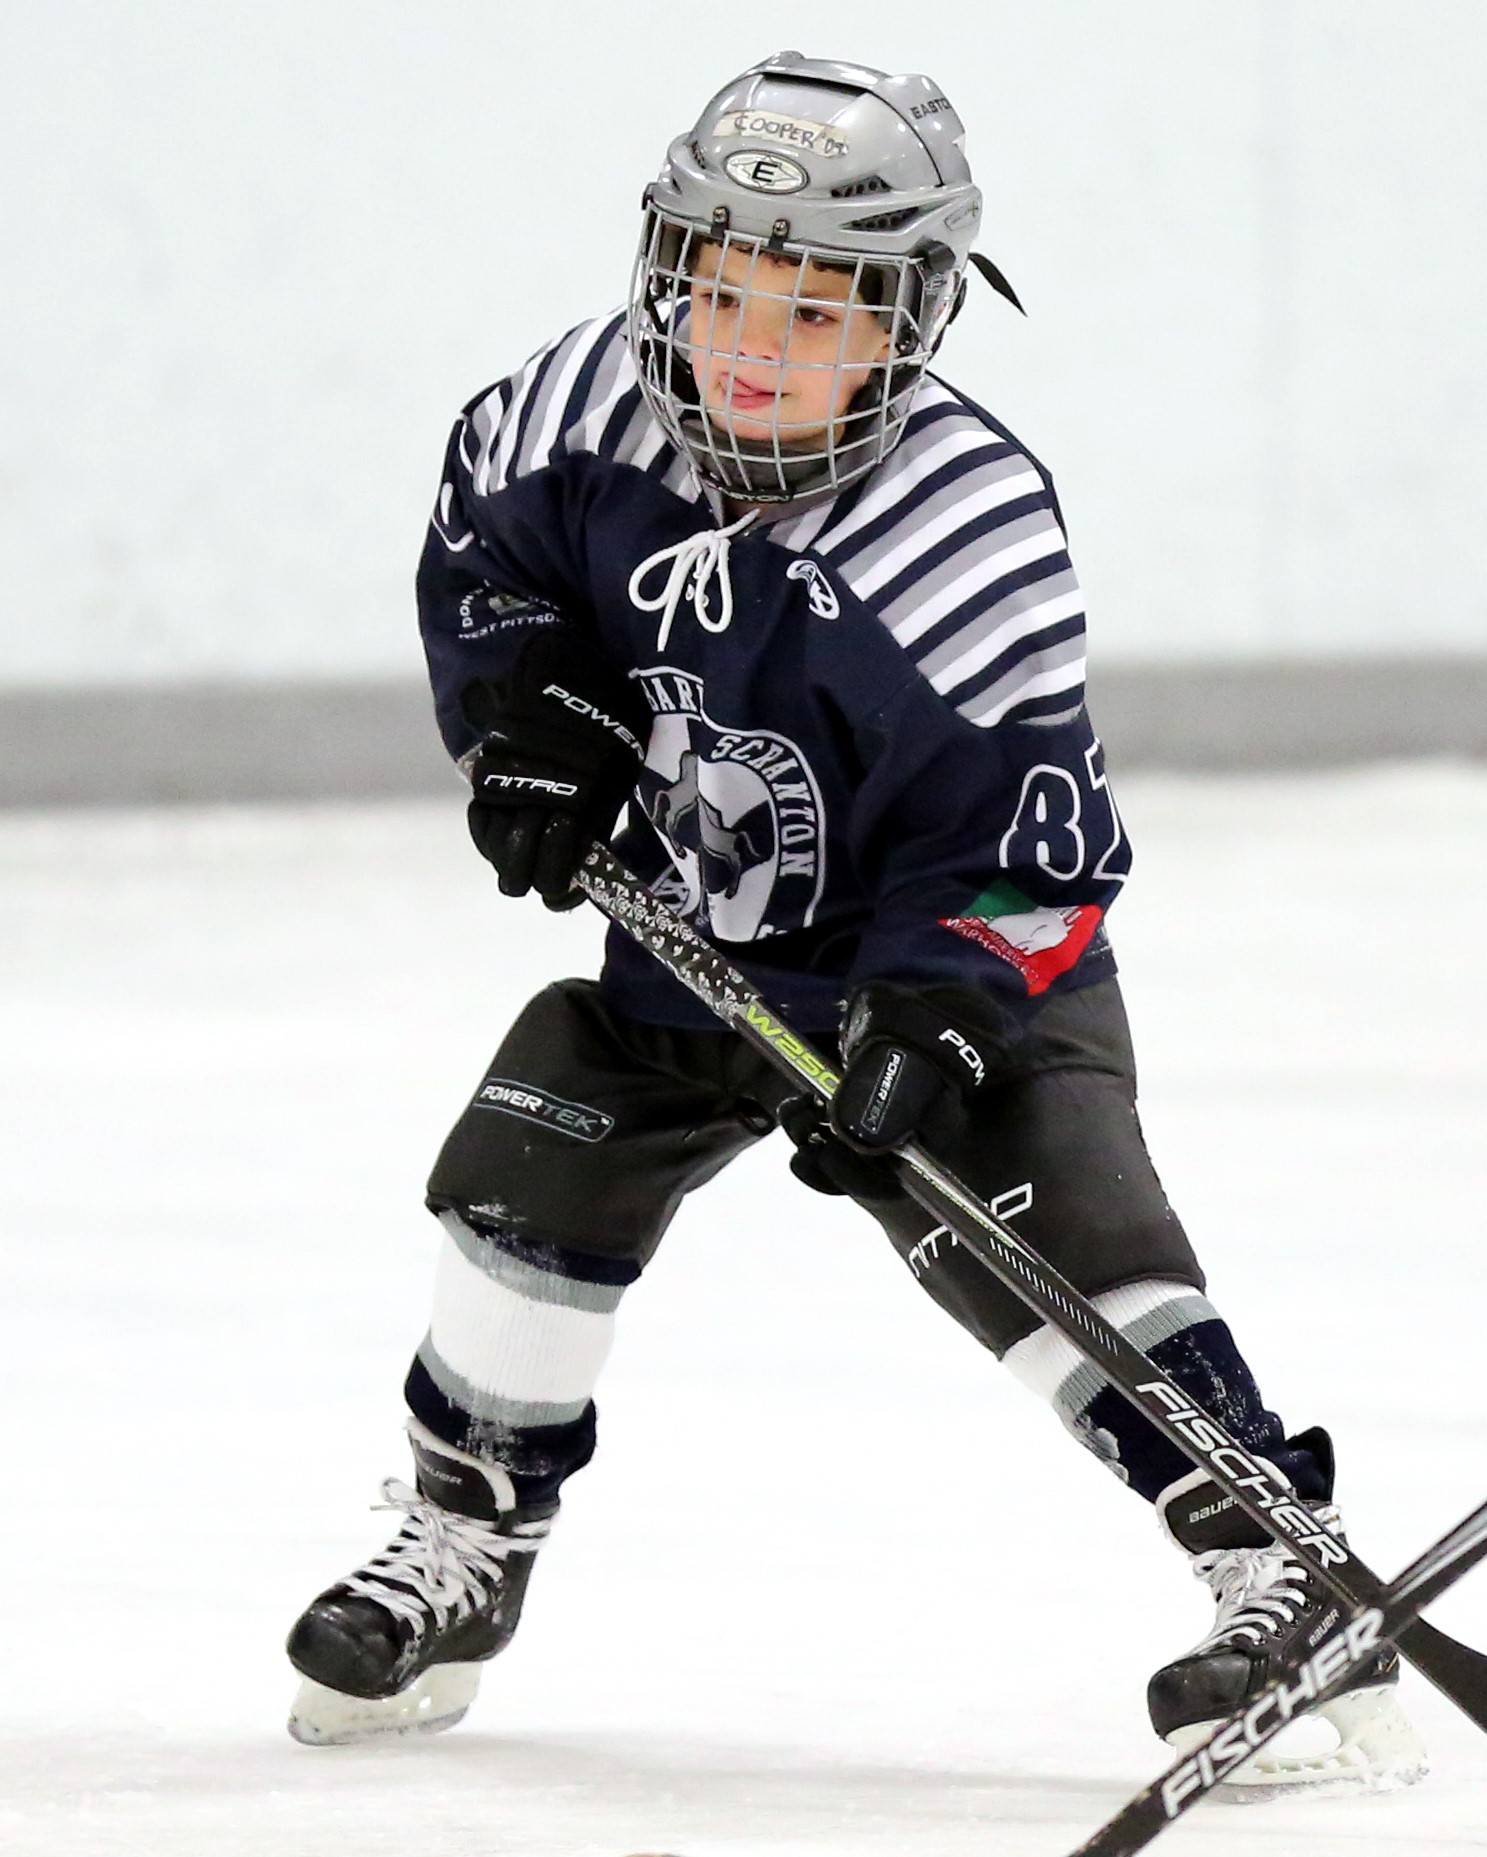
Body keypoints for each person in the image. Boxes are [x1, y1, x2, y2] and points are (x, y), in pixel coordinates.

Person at [285, 51, 1422, 1794]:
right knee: (534, 1158)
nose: (751, 342)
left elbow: (1035, 846)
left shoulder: (965, 526)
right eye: (722, 287)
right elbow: (486, 562)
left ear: (913, 318)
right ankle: (466, 1540)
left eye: (814, 310)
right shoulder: (577, 412)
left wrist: (935, 1012)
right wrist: (527, 720)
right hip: (688, 935)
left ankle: (1272, 1555)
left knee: (1052, 1224)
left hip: (927, 962)